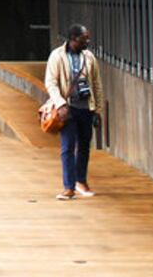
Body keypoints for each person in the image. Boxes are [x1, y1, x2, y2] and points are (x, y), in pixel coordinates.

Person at [42, 23, 104, 201]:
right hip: (67, 109)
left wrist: (98, 110)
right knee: (67, 147)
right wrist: (60, 104)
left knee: (84, 146)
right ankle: (68, 187)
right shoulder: (57, 56)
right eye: (85, 38)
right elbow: (51, 83)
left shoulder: (89, 57)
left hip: (86, 108)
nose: (88, 41)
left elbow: (97, 84)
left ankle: (81, 180)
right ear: (74, 39)